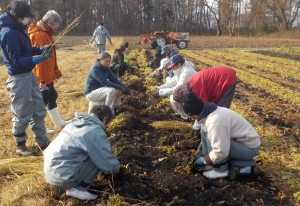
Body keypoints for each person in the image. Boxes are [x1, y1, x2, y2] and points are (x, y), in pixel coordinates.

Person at [0, 1, 52, 156]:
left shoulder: (18, 29)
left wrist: (39, 49)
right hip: (18, 78)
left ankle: (42, 141)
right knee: (22, 112)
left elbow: (26, 50)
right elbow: (17, 60)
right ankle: (20, 146)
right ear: (18, 16)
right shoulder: (9, 33)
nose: (28, 19)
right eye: (26, 17)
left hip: (29, 76)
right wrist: (38, 59)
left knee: (38, 108)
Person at [43, 105, 120, 200]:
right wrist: (118, 170)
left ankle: (70, 184)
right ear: (105, 119)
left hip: (50, 171)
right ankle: (77, 189)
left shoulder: (75, 123)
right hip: (63, 177)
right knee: (97, 156)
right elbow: (108, 165)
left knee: (90, 151)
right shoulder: (95, 132)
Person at [183, 91, 260, 179]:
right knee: (204, 131)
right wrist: (202, 153)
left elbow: (221, 151)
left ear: (194, 114)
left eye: (190, 116)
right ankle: (212, 162)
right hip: (240, 142)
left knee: (212, 138)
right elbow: (204, 130)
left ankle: (221, 170)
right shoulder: (208, 112)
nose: (191, 118)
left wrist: (204, 160)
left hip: (249, 148)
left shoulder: (215, 122)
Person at [28, 10, 69, 131]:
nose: (56, 28)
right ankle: (39, 127)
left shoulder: (45, 33)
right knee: (42, 100)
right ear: (50, 23)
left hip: (47, 74)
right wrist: (42, 80)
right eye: (56, 25)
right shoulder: (40, 35)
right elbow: (41, 60)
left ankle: (58, 122)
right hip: (42, 75)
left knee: (52, 95)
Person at [152, 54, 196, 120]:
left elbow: (178, 89)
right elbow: (173, 81)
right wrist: (159, 88)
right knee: (171, 96)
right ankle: (179, 113)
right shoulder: (180, 69)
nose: (172, 68)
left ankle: (186, 117)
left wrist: (160, 92)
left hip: (194, 93)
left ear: (179, 64)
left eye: (173, 67)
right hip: (187, 90)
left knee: (173, 97)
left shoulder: (186, 72)